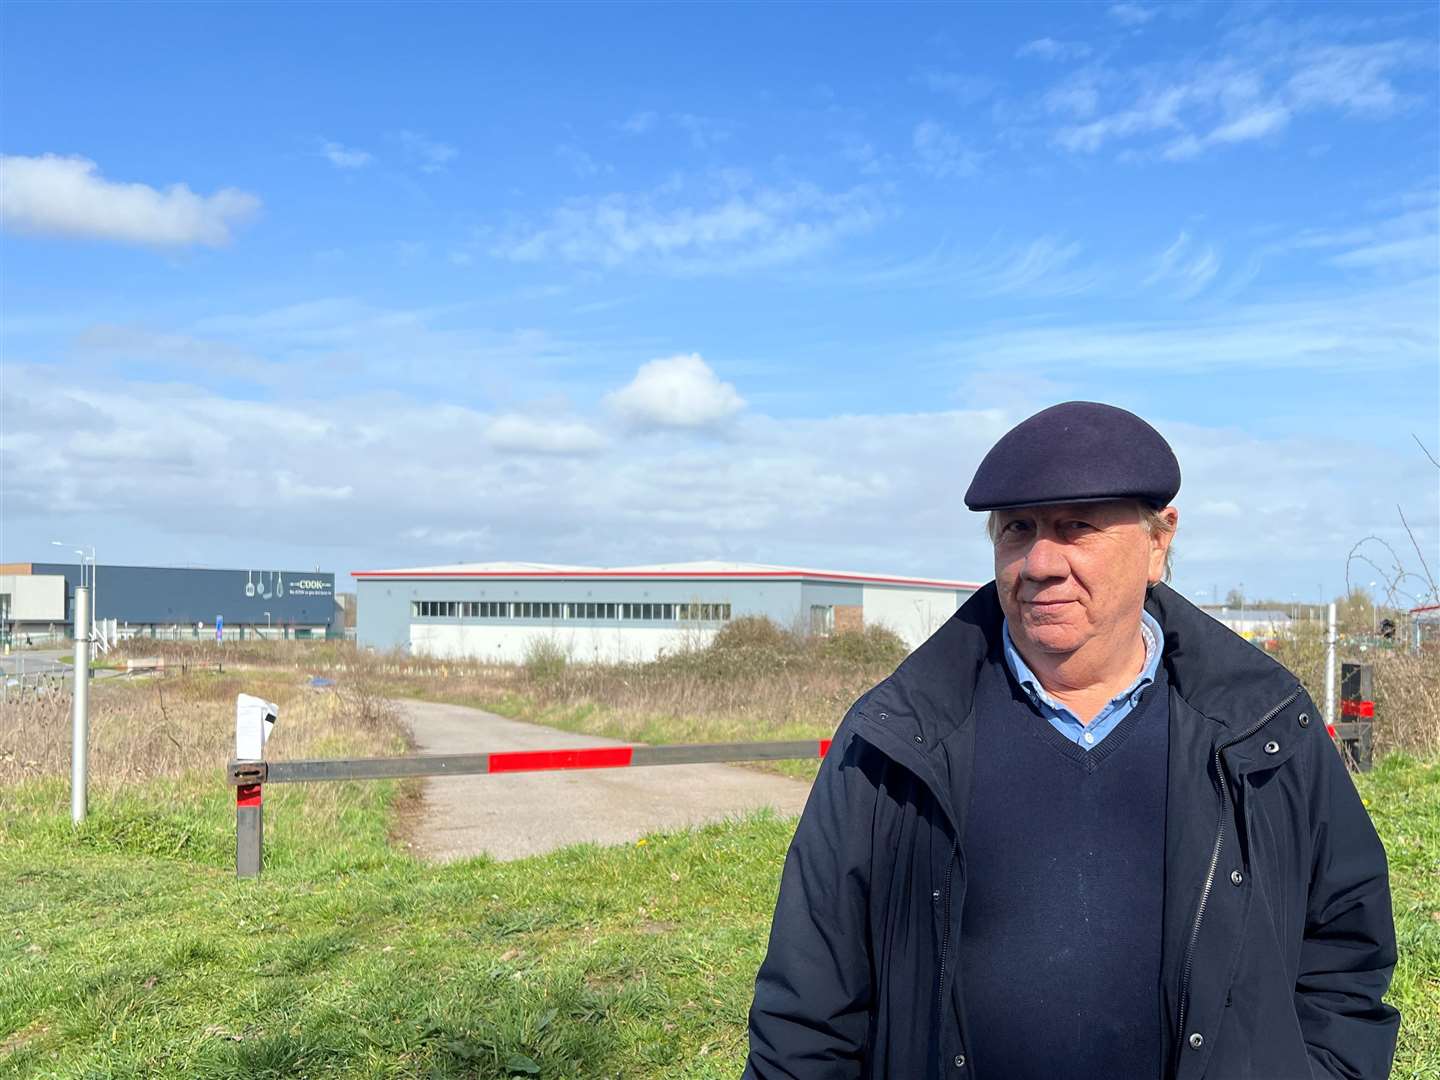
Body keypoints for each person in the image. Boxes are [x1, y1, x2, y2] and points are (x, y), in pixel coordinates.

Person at [744, 401, 1399, 1080]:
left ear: (1158, 543)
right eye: (1017, 530)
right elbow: (808, 1012)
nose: (1040, 563)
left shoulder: (1263, 730)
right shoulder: (896, 743)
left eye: (1076, 527)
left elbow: (1346, 960)